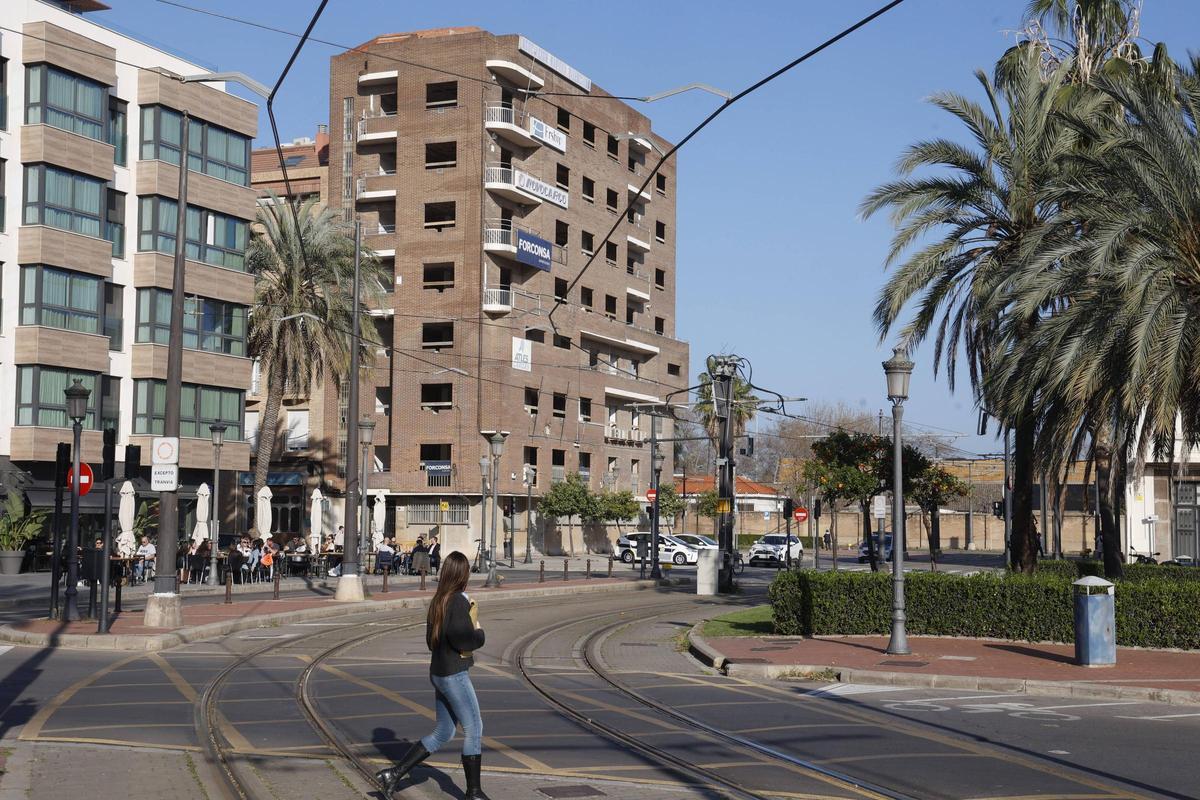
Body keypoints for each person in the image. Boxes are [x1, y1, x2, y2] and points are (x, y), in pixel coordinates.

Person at [376, 552, 487, 798]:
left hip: (438, 672)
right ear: (462, 574)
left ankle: (393, 775)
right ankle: (474, 792)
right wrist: (479, 634)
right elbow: (463, 638)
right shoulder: (458, 601)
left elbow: (430, 641)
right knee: (474, 728)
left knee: (444, 732)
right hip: (454, 674)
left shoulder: (438, 600)